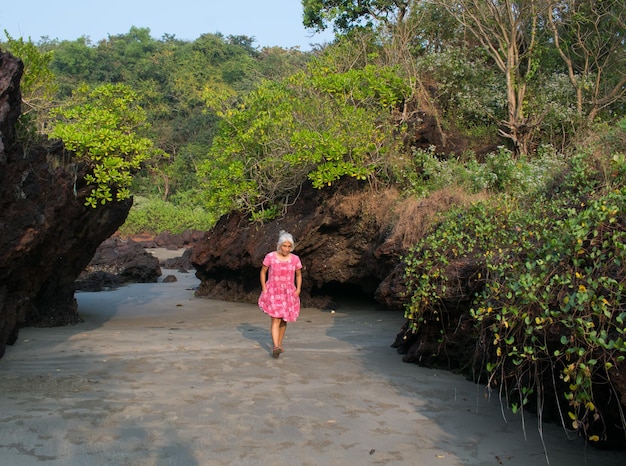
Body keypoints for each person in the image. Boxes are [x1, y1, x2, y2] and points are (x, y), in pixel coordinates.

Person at [258, 230, 302, 358]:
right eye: (284, 246)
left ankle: (279, 344)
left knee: (284, 319)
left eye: (289, 246)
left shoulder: (295, 259)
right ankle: (276, 346)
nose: (286, 249)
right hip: (273, 291)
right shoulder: (270, 257)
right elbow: (262, 272)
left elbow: (299, 275)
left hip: (289, 292)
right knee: (275, 318)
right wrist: (264, 288)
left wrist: (298, 289)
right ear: (279, 245)